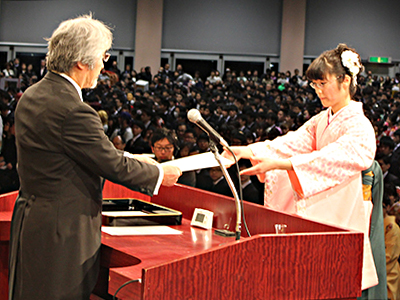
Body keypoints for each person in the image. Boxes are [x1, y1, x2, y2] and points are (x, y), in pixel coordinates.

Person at [8, 14, 181, 300]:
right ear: (81, 62)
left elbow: (76, 148)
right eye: (103, 57)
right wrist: (161, 174)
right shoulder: (74, 110)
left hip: (32, 220)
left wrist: (135, 158)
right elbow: (109, 164)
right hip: (63, 231)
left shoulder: (32, 95)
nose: (104, 65)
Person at [222, 44, 378, 291]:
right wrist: (247, 151)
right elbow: (293, 142)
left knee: (332, 281)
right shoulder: (323, 118)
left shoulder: (360, 125)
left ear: (345, 80)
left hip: (339, 210)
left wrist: (284, 164)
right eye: (315, 85)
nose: (318, 91)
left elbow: (336, 156)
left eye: (322, 83)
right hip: (321, 206)